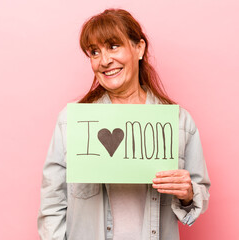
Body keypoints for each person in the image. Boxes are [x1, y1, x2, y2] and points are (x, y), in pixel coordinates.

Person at [38, 8, 210, 240]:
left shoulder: (179, 122)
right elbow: (52, 204)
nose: (104, 60)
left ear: (139, 48)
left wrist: (188, 193)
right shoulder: (71, 122)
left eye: (113, 46)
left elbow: (195, 202)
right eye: (94, 52)